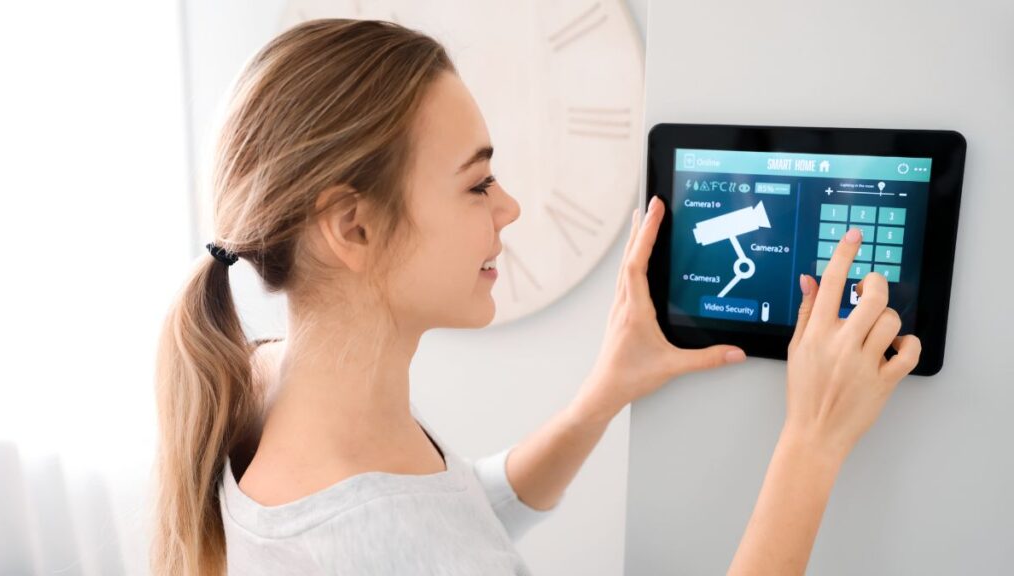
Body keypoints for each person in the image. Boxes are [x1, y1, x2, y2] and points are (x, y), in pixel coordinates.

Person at [153, 19, 921, 576]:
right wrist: (813, 443)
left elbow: (451, 515)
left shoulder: (278, 383)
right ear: (352, 227)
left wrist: (600, 397)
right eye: (477, 182)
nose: (507, 206)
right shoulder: (362, 546)